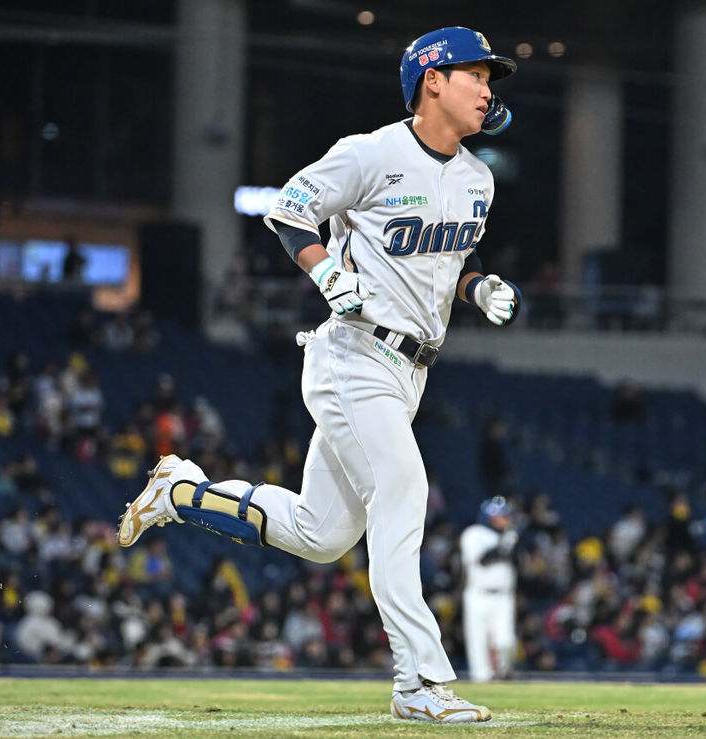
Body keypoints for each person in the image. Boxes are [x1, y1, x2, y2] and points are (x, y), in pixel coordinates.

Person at [115, 26, 522, 723]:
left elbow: (455, 261)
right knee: (404, 489)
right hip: (353, 355)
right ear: (432, 80)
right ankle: (418, 683)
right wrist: (326, 270)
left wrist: (479, 289)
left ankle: (183, 492)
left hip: (411, 371)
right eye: (475, 74)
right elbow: (289, 209)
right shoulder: (372, 152)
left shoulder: (477, 177)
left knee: (322, 533)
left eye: (490, 78)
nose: (488, 88)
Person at [459, 496, 518, 682]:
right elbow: (483, 559)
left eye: (505, 515)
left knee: (506, 641)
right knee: (478, 641)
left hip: (503, 595)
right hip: (478, 594)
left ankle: (504, 674)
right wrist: (506, 544)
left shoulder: (511, 535)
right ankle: (481, 681)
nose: (504, 519)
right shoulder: (474, 534)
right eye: (499, 516)